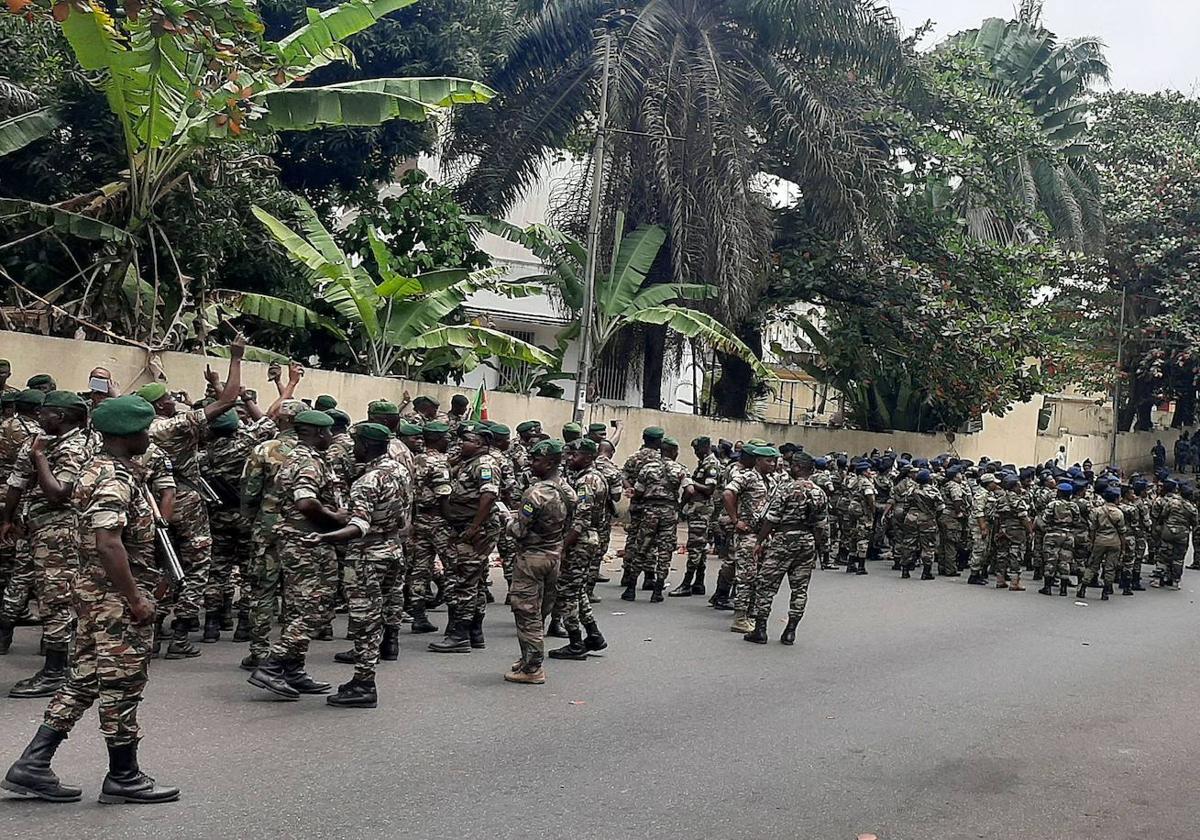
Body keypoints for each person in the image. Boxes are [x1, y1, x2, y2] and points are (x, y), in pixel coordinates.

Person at [2, 395, 179, 804]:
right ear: (129, 434)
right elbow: (108, 542)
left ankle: (32, 764)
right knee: (122, 684)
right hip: (114, 598)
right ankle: (124, 775)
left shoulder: (97, 467)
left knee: (82, 680)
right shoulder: (114, 478)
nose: (148, 437)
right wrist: (136, 598)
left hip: (93, 595)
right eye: (144, 431)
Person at [135, 340, 245, 658]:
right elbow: (228, 401)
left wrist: (210, 384)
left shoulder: (139, 430)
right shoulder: (173, 428)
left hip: (148, 504)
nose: (174, 402)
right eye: (168, 399)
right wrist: (236, 357)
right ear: (159, 406)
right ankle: (180, 635)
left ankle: (153, 634)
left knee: (159, 566)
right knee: (197, 567)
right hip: (184, 502)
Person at [303, 423, 407, 708]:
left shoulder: (367, 480)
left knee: (365, 621)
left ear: (366, 446)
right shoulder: (398, 470)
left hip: (367, 555)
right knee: (382, 613)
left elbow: (360, 526)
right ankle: (363, 678)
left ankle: (364, 684)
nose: (353, 449)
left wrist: (325, 537)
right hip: (393, 548)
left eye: (356, 444)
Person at [247, 410, 345, 700]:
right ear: (319, 433)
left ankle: (293, 670)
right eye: (328, 433)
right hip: (307, 542)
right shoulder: (309, 461)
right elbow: (305, 502)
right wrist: (336, 518)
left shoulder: (298, 457)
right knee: (316, 608)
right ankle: (273, 665)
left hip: (298, 540)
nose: (331, 437)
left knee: (297, 609)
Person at [0, 391, 92, 697]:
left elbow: (58, 493)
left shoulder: (76, 447)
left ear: (62, 417)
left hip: (61, 531)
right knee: (37, 588)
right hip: (35, 527)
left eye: (46, 412)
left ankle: (56, 670)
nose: (39, 416)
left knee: (56, 599)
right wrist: (8, 519)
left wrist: (40, 457)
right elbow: (17, 481)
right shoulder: (39, 440)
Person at [505, 439, 576, 684]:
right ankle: (528, 658)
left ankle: (533, 668)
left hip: (531, 558)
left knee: (526, 612)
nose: (531, 464)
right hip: (554, 555)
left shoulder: (535, 493)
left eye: (536, 460)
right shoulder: (568, 491)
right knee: (542, 610)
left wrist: (506, 518)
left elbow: (518, 530)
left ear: (550, 463)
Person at [428, 423, 499, 654]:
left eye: (467, 440)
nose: (461, 443)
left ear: (480, 443)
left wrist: (474, 526)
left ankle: (459, 635)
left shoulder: (485, 464)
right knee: (473, 580)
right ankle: (474, 632)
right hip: (463, 525)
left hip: (475, 529)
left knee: (464, 582)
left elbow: (488, 496)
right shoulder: (468, 462)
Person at [746, 451, 826, 646]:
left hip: (784, 539)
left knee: (766, 584)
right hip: (806, 541)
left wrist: (759, 541)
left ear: (798, 467)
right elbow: (821, 525)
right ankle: (790, 631)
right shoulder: (819, 492)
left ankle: (761, 629)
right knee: (799, 589)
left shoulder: (786, 489)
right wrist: (818, 547)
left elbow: (770, 519)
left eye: (792, 466)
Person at [548, 439, 608, 660]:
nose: (571, 459)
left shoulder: (587, 481)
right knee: (578, 589)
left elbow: (581, 519)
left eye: (576, 455)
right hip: (587, 539)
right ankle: (593, 634)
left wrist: (563, 547)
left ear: (589, 457)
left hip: (580, 540)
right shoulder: (591, 477)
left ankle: (575, 642)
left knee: (566, 592)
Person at [626, 436, 689, 602]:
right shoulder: (680, 469)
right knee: (665, 550)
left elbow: (638, 491)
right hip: (669, 512)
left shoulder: (648, 468)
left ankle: (631, 588)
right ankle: (657, 591)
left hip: (650, 511)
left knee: (642, 547)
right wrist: (681, 505)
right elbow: (689, 489)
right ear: (672, 451)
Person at [722, 444, 776, 633]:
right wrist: (735, 520)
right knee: (746, 576)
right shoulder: (746, 476)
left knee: (759, 577)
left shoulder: (770, 480)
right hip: (748, 535)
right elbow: (728, 493)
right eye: (768, 461)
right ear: (758, 460)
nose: (773, 464)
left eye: (774, 460)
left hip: (763, 535)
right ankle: (740, 618)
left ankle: (750, 614)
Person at [406, 421, 452, 634]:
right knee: (453, 567)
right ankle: (456, 619)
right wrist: (452, 520)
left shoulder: (414, 459)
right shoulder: (439, 462)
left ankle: (418, 615)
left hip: (419, 518)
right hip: (438, 520)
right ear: (439, 439)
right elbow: (444, 496)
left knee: (419, 569)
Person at [672, 436, 721, 597]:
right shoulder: (704, 463)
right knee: (700, 547)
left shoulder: (711, 464)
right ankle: (699, 582)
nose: (695, 453)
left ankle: (687, 583)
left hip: (702, 510)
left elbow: (709, 489)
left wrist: (690, 482)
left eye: (697, 449)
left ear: (705, 447)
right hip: (697, 509)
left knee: (694, 546)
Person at [620, 427, 664, 590]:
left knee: (632, 538)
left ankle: (627, 574)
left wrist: (631, 489)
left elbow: (623, 475)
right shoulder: (660, 459)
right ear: (657, 441)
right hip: (652, 505)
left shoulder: (634, 457)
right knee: (650, 540)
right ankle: (648, 576)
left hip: (636, 504)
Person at [1080, 486, 1127, 601]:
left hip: (1100, 541)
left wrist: (1092, 541)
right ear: (1116, 499)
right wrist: (1123, 547)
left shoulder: (1097, 511)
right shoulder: (1119, 513)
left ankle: (1083, 588)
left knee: (1093, 565)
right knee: (1110, 567)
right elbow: (1122, 532)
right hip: (1114, 542)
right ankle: (1105, 591)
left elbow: (1093, 528)